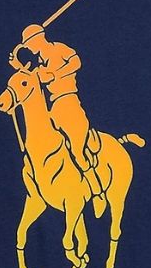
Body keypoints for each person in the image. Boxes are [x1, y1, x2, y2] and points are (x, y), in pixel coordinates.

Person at [10, 23, 104, 203]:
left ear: (38, 39)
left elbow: (76, 62)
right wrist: (18, 66)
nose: (28, 48)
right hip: (52, 108)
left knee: (76, 151)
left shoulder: (59, 49)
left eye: (29, 44)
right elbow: (28, 80)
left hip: (69, 102)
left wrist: (55, 74)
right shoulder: (38, 65)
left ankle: (96, 190)